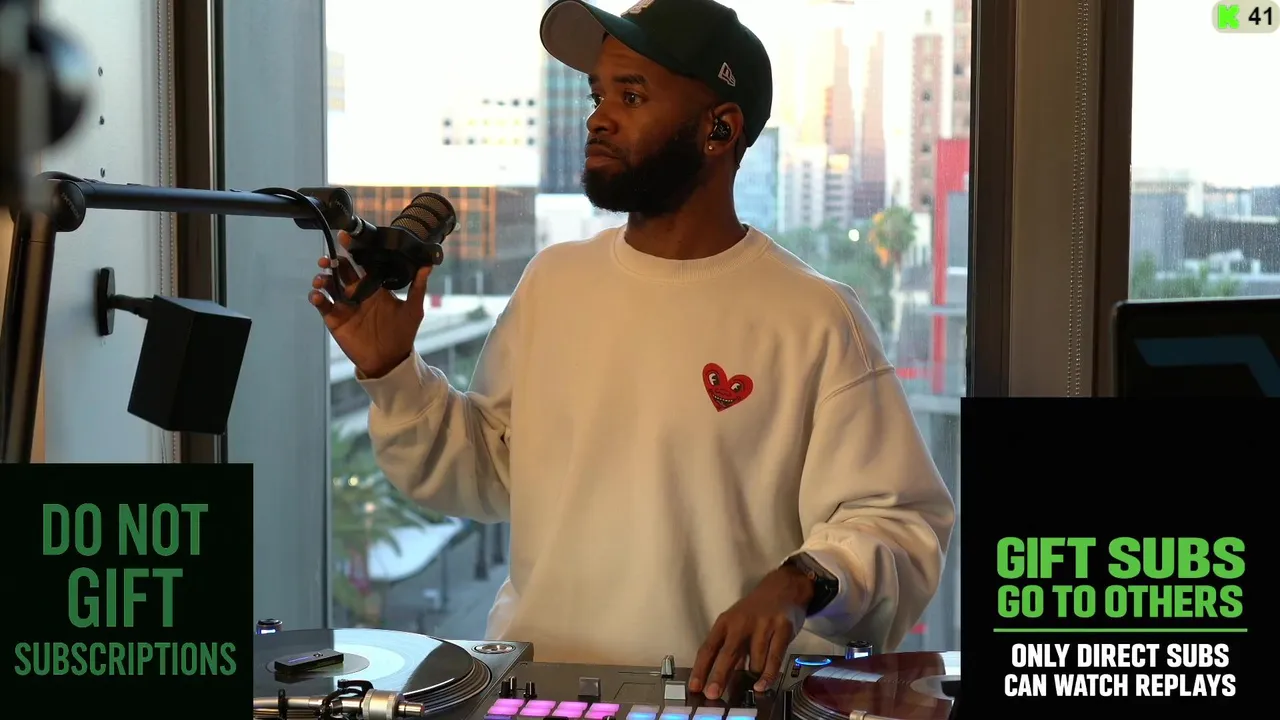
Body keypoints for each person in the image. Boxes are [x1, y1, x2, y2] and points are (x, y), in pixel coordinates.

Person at [311, 0, 955, 701]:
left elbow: (900, 523)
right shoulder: (555, 282)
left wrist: (800, 582)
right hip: (536, 695)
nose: (599, 118)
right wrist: (391, 373)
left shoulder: (816, 318)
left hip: (714, 702)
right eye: (599, 95)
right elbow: (488, 473)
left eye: (632, 95)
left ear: (719, 128)